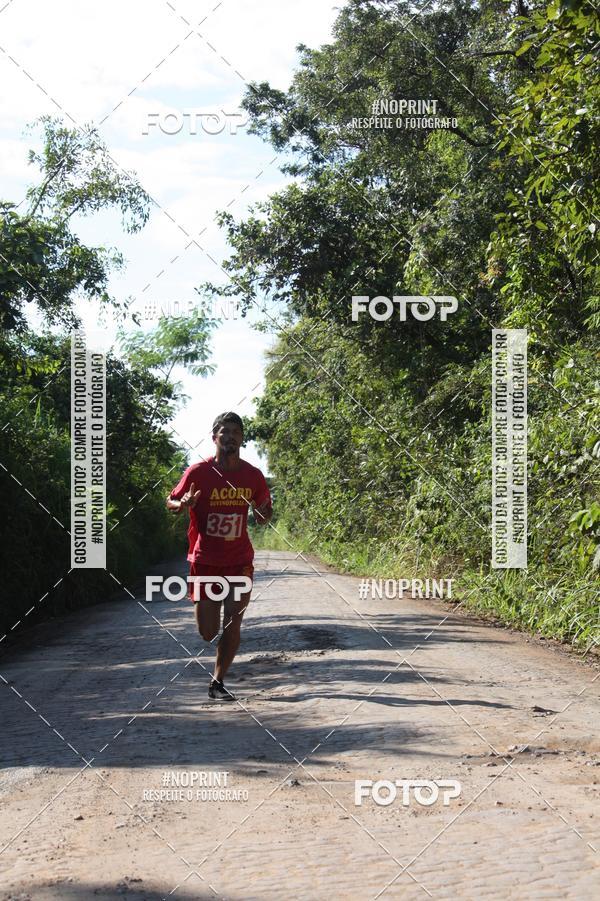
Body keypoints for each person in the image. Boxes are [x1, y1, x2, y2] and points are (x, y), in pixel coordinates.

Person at [166, 412, 272, 701]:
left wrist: (263, 513)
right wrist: (182, 502)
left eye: (236, 432)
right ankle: (215, 665)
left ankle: (218, 681)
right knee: (208, 631)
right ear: (215, 437)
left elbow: (264, 512)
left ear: (242, 439)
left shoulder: (253, 475)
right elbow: (171, 500)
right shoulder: (198, 472)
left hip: (239, 561)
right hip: (205, 561)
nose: (230, 436)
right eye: (225, 431)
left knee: (233, 622)